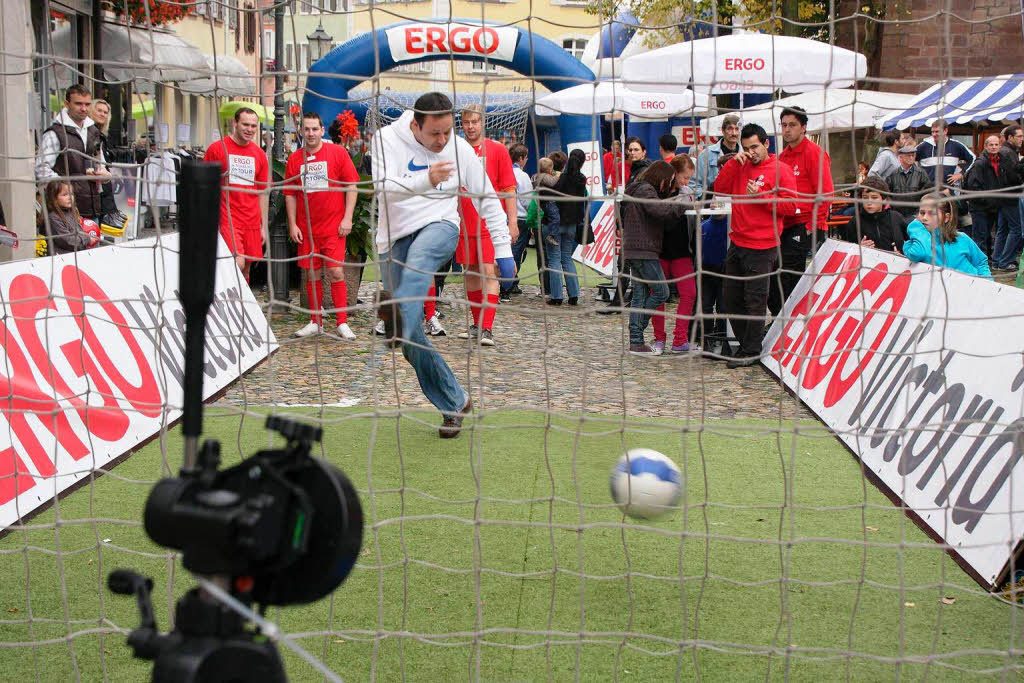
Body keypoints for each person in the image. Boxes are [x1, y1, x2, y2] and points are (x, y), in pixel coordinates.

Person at [372, 92, 508, 437]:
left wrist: (503, 250)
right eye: (435, 133)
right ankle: (455, 401)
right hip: (393, 238)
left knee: (420, 262)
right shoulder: (385, 139)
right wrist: (426, 179)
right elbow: (382, 189)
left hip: (441, 225)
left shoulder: (459, 149)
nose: (443, 140)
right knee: (411, 338)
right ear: (415, 125)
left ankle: (397, 307)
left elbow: (487, 195)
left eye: (448, 131)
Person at [713, 123, 798, 368]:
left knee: (755, 301)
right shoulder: (740, 166)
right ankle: (748, 344)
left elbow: (790, 207)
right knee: (730, 299)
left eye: (755, 147)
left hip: (763, 246)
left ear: (766, 144)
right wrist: (732, 163)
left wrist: (761, 197)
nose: (752, 152)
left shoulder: (781, 170)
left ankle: (750, 350)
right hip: (737, 241)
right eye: (747, 148)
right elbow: (719, 189)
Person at [284, 112, 360, 341]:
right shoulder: (295, 159)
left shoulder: (337, 153)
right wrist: (292, 224)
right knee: (311, 273)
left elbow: (352, 186)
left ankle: (342, 322)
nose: (310, 134)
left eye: (314, 129)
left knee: (336, 271)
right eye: (306, 129)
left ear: (322, 130)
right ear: (301, 131)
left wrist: (347, 218)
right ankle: (315, 321)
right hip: (307, 229)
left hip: (333, 227)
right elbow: (290, 194)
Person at [455, 104, 518, 346]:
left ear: (483, 123)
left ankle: (488, 328)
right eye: (466, 122)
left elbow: (508, 189)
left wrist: (512, 222)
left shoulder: (498, 150)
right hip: (463, 223)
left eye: (475, 122)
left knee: (489, 270)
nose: (470, 127)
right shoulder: (456, 151)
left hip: (489, 224)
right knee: (470, 272)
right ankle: (476, 324)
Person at [621, 160, 689, 355]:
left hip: (636, 248)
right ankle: (637, 330)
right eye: (668, 181)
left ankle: (636, 342)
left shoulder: (637, 188)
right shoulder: (645, 190)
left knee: (640, 295)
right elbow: (659, 211)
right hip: (643, 249)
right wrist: (682, 204)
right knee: (661, 292)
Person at [770, 106, 833, 316]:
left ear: (804, 128)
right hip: (784, 226)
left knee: (792, 278)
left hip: (806, 225)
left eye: (792, 125)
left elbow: (825, 194)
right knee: (777, 278)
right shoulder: (781, 158)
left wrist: (812, 226)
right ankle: (784, 319)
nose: (787, 130)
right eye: (784, 125)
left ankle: (791, 322)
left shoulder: (815, 154)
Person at [203, 107, 270, 283]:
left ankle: (240, 307)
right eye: (245, 124)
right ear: (235, 123)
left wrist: (264, 225)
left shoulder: (260, 155)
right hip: (227, 218)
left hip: (252, 219)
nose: (249, 129)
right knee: (237, 263)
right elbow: (205, 185)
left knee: (247, 267)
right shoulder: (217, 149)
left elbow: (263, 192)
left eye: (254, 126)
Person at [36, 84, 110, 224]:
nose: (83, 108)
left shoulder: (93, 131)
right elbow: (41, 169)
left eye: (87, 104)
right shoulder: (55, 133)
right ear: (66, 104)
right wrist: (64, 188)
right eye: (78, 104)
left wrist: (105, 175)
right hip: (63, 212)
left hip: (92, 207)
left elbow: (100, 165)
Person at [651, 155, 698, 354]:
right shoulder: (656, 191)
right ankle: (659, 338)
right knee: (658, 295)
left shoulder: (687, 192)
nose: (686, 182)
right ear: (674, 173)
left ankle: (680, 339)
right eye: (684, 177)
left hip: (681, 251)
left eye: (689, 178)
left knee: (689, 293)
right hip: (659, 250)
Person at [903, 193, 992, 279]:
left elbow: (981, 262)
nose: (925, 217)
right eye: (922, 213)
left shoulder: (962, 239)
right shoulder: (911, 245)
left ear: (946, 218)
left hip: (970, 290)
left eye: (932, 213)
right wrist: (915, 227)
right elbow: (917, 253)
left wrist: (987, 283)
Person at [964, 134, 1017, 257]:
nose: (994, 147)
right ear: (985, 146)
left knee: (989, 237)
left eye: (996, 144)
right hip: (980, 207)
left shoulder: (1001, 161)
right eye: (991, 145)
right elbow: (973, 187)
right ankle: (979, 265)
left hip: (993, 207)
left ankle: (987, 263)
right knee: (980, 238)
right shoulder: (980, 163)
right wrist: (988, 200)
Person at [546, 148, 587, 305]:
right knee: (567, 258)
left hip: (557, 223)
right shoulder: (581, 180)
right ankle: (574, 294)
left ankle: (556, 296)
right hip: (572, 223)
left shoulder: (562, 178)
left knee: (555, 259)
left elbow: (552, 197)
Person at [836, 176, 907, 253]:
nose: (869, 202)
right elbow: (847, 251)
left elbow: (912, 244)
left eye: (874, 197)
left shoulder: (896, 218)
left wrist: (904, 253)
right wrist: (858, 248)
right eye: (865, 197)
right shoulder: (855, 222)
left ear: (884, 199)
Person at [87, 99, 127, 230]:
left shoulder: (100, 135)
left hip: (99, 188)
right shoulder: (89, 133)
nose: (103, 114)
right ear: (91, 110)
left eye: (105, 112)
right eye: (99, 110)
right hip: (90, 188)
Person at [504, 143, 533, 299]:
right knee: (516, 252)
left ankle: (504, 283)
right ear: (521, 158)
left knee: (503, 250)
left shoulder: (504, 172)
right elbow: (528, 200)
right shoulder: (523, 176)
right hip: (520, 219)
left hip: (504, 217)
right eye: (526, 158)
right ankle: (509, 284)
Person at [39, 181, 98, 254]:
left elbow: (78, 232)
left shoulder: (71, 212)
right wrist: (87, 239)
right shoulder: (53, 218)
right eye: (65, 195)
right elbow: (67, 241)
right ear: (53, 198)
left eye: (71, 194)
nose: (70, 197)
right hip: (62, 257)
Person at [916, 119, 975, 187]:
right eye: (932, 132)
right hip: (928, 189)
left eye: (937, 131)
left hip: (948, 190)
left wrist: (961, 174)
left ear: (945, 131)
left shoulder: (956, 145)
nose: (934, 134)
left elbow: (973, 159)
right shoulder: (923, 146)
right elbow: (907, 158)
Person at [694, 114, 740, 199]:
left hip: (739, 206)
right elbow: (694, 183)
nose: (734, 133)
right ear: (722, 130)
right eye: (730, 129)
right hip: (714, 208)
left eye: (736, 129)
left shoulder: (745, 153)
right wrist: (705, 201)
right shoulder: (706, 155)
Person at [888, 144, 932, 219]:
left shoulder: (921, 173)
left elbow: (927, 194)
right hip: (897, 214)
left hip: (915, 214)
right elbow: (888, 193)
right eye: (908, 155)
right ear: (900, 157)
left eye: (913, 155)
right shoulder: (893, 174)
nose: (911, 158)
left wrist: (920, 211)